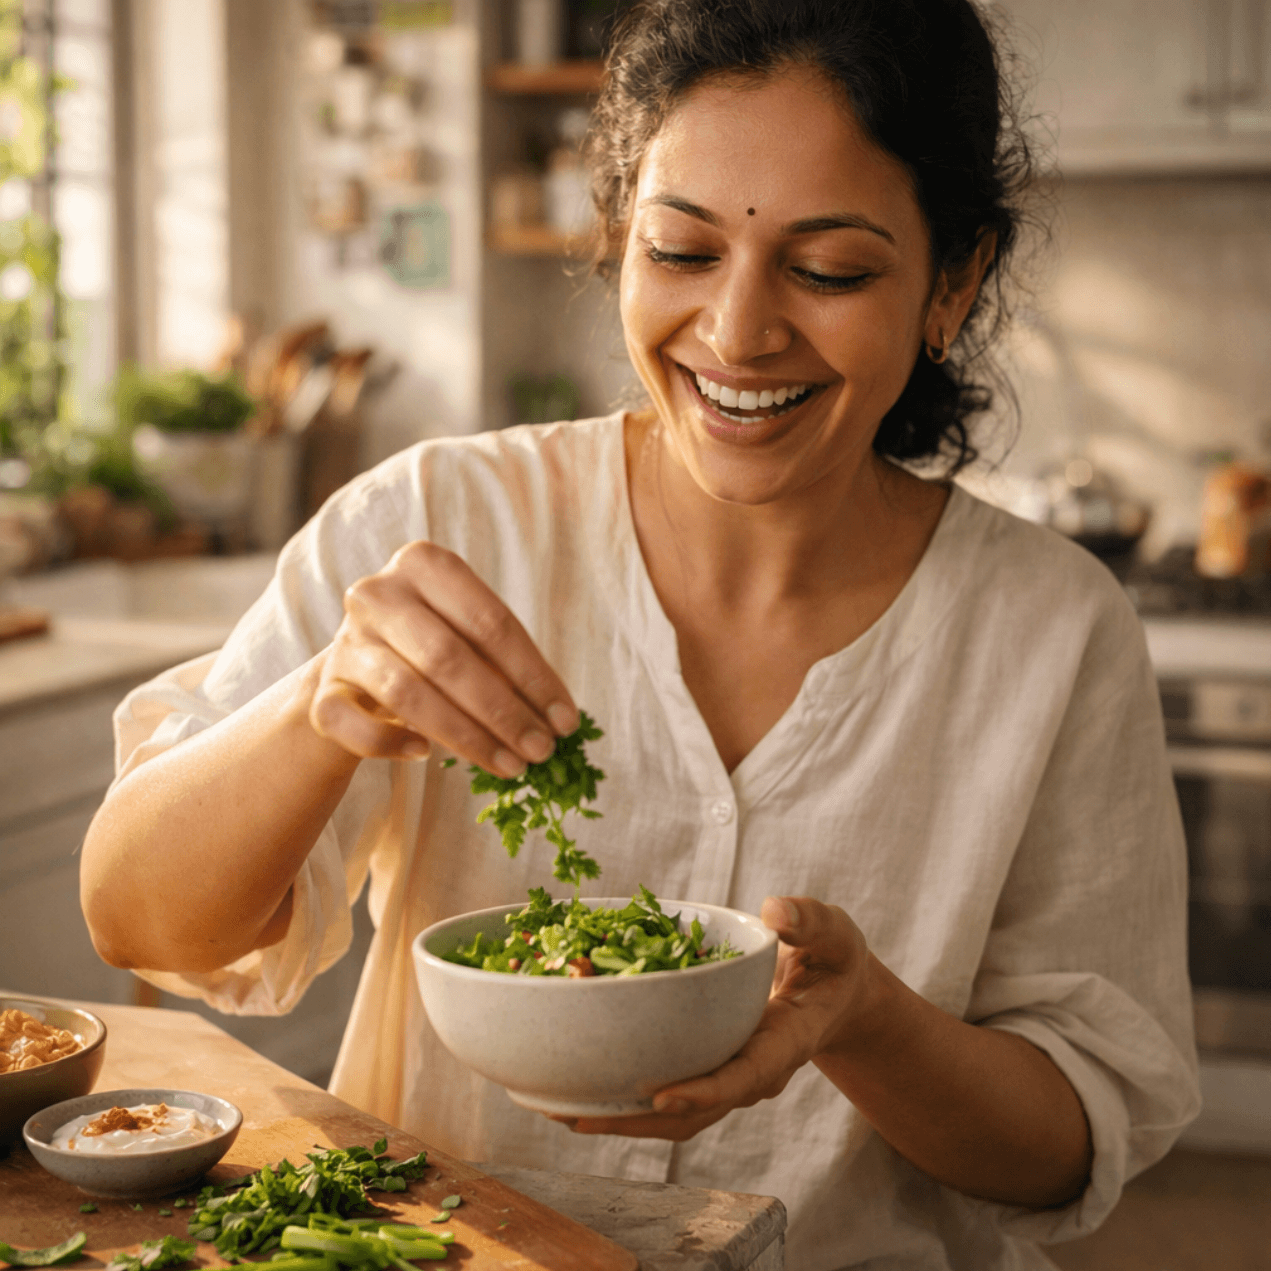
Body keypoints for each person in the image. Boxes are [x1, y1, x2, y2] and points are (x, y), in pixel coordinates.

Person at [81, 1, 1200, 1267]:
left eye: (828, 270)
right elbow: (139, 921)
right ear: (615, 236)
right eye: (679, 251)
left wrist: (866, 1019)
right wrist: (316, 709)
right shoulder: (437, 521)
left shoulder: (1051, 632)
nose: (737, 333)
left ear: (952, 282)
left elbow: (1068, 1144)